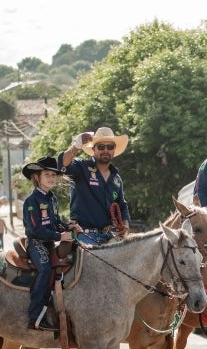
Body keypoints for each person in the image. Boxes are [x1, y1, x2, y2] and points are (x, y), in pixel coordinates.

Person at [22, 157, 75, 330]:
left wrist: (69, 227)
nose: (51, 178)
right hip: (36, 243)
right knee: (45, 269)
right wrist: (60, 236)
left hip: (50, 243)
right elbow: (35, 229)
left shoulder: (52, 199)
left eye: (53, 174)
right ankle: (35, 315)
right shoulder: (32, 201)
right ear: (37, 177)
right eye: (47, 174)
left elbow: (56, 221)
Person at [58, 127, 131, 245]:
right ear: (93, 149)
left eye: (110, 147)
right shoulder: (81, 167)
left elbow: (122, 205)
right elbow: (62, 165)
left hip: (109, 235)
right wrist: (76, 146)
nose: (105, 150)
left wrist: (125, 225)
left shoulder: (116, 179)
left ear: (114, 149)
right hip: (83, 235)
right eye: (101, 147)